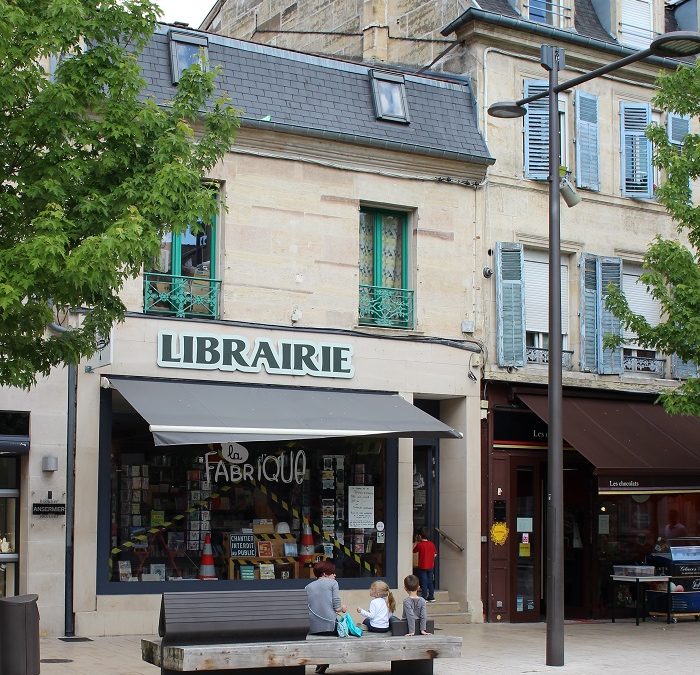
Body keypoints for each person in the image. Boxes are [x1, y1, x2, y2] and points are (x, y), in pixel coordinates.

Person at [306, 560, 346, 674]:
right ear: (324, 574)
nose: (335, 575)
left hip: (312, 628)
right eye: (332, 573)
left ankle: (323, 661)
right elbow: (337, 607)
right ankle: (325, 660)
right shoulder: (333, 583)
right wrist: (343, 608)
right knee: (346, 629)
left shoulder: (308, 587)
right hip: (329, 627)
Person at [413, 528, 437, 602]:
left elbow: (414, 550)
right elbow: (435, 554)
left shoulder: (420, 545)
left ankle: (424, 596)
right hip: (430, 566)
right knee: (430, 581)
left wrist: (416, 542)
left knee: (424, 581)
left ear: (420, 536)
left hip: (422, 566)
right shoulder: (432, 544)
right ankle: (431, 596)